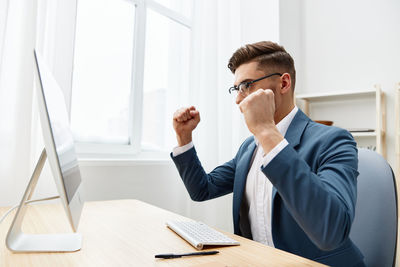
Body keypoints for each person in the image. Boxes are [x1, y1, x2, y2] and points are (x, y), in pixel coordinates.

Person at [170, 41, 364, 266]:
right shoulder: (248, 148)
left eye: (247, 85)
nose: (238, 99)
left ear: (283, 83)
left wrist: (266, 130)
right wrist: (184, 138)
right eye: (236, 89)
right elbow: (202, 189)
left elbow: (330, 231)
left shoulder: (333, 140)